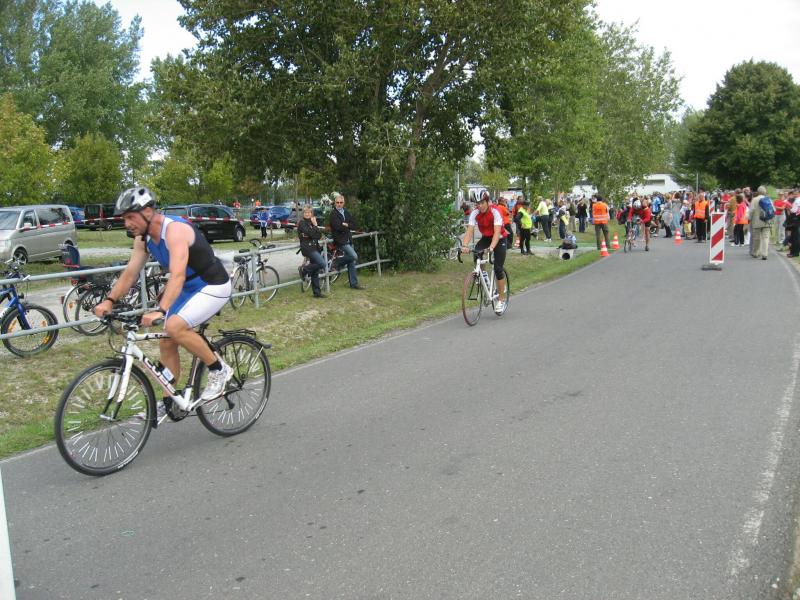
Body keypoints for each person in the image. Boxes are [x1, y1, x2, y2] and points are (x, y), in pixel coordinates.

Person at [93, 187, 233, 415]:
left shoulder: (175, 230)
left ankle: (219, 370)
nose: (127, 224)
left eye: (131, 217)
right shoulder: (143, 238)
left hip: (212, 285)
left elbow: (177, 275)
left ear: (148, 212)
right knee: (167, 342)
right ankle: (170, 403)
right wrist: (109, 300)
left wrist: (161, 310)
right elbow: (130, 273)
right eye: (124, 218)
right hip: (188, 288)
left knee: (174, 326)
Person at [461, 192, 508, 314]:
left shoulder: (495, 211)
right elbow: (470, 231)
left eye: (482, 203)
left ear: (487, 202)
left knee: (498, 268)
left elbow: (497, 233)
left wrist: (491, 248)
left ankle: (501, 299)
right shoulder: (475, 213)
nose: (480, 206)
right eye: (478, 203)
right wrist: (464, 245)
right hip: (486, 238)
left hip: (500, 238)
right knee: (477, 254)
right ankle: (485, 279)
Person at [328, 194, 365, 289]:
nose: (339, 204)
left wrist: (346, 224)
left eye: (341, 202)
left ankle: (354, 284)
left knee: (351, 261)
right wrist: (347, 225)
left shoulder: (346, 212)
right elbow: (337, 227)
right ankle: (336, 262)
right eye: (337, 202)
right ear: (335, 203)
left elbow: (354, 225)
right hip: (340, 241)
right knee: (354, 256)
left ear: (343, 203)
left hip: (349, 239)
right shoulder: (333, 214)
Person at [298, 205, 327, 298]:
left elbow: (318, 235)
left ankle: (317, 292)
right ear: (303, 213)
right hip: (307, 248)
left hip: (314, 247)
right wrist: (314, 227)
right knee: (322, 263)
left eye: (309, 212)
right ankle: (305, 269)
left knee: (315, 271)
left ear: (311, 213)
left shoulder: (312, 222)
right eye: (305, 212)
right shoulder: (301, 223)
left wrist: (314, 227)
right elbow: (310, 233)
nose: (307, 214)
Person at [750, 186, 772, 260]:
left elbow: (752, 210)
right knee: (766, 238)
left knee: (757, 238)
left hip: (757, 221)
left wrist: (749, 218)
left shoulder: (755, 199)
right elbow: (773, 210)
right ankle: (765, 254)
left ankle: (756, 253)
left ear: (758, 191)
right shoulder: (768, 199)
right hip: (767, 221)